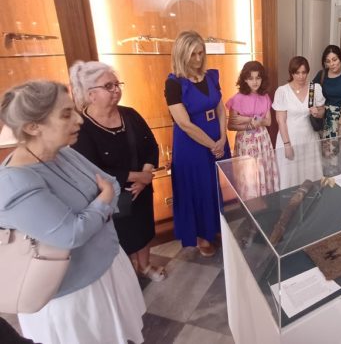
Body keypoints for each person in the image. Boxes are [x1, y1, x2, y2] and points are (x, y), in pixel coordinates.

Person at [0, 81, 145, 344]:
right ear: (33, 126)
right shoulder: (14, 183)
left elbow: (112, 183)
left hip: (107, 266)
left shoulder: (63, 153)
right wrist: (103, 201)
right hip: (74, 294)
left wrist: (96, 209)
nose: (79, 120)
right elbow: (72, 234)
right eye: (66, 114)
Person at [69, 61, 164, 281]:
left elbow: (151, 146)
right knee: (121, 236)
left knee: (144, 229)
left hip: (141, 189)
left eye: (117, 84)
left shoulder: (130, 114)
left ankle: (145, 266)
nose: (116, 90)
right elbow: (91, 168)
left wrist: (145, 177)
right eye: (108, 86)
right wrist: (137, 177)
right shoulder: (81, 127)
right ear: (91, 94)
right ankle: (126, 275)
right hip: (111, 194)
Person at [164, 30, 231, 257]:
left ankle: (213, 227)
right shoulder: (174, 83)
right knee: (196, 187)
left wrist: (223, 137)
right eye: (193, 54)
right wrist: (213, 144)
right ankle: (202, 236)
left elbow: (220, 108)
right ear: (182, 54)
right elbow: (184, 123)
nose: (198, 59)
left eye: (201, 53)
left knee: (214, 186)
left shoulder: (211, 76)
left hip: (217, 137)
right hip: (192, 144)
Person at [226, 60, 279, 198]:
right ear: (244, 79)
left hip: (263, 141)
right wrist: (250, 123)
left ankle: (266, 206)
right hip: (246, 142)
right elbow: (231, 125)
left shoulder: (265, 96)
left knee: (264, 174)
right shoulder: (237, 98)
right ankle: (251, 207)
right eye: (250, 78)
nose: (255, 82)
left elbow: (268, 122)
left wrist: (247, 118)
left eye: (258, 78)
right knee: (249, 179)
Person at [273, 56, 325, 187]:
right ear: (291, 73)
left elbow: (322, 111)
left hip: (309, 138)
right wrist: (287, 145)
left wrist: (317, 112)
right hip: (289, 139)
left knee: (310, 175)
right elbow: (281, 120)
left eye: (304, 72)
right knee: (289, 177)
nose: (301, 76)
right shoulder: (282, 91)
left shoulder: (314, 88)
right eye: (297, 73)